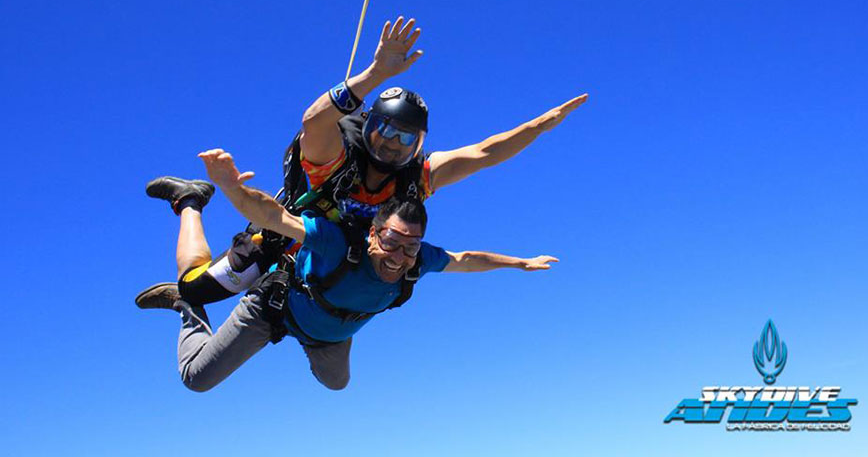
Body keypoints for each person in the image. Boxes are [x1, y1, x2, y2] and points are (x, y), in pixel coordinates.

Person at [145, 15, 587, 307]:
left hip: (338, 264)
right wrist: (375, 75)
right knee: (193, 288)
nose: (393, 146)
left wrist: (541, 125)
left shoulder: (417, 176)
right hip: (286, 240)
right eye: (385, 132)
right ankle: (190, 201)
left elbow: (486, 152)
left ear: (420, 144)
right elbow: (314, 123)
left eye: (407, 139)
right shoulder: (338, 159)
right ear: (368, 125)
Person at [137, 150, 558, 391]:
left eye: (410, 248)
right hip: (272, 309)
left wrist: (519, 263)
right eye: (391, 242)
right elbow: (274, 216)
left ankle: (315, 327)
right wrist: (232, 188)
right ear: (374, 234)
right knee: (196, 375)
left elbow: (466, 259)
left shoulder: (417, 259)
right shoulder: (337, 240)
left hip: (327, 334)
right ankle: (189, 207)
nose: (398, 256)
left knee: (337, 385)